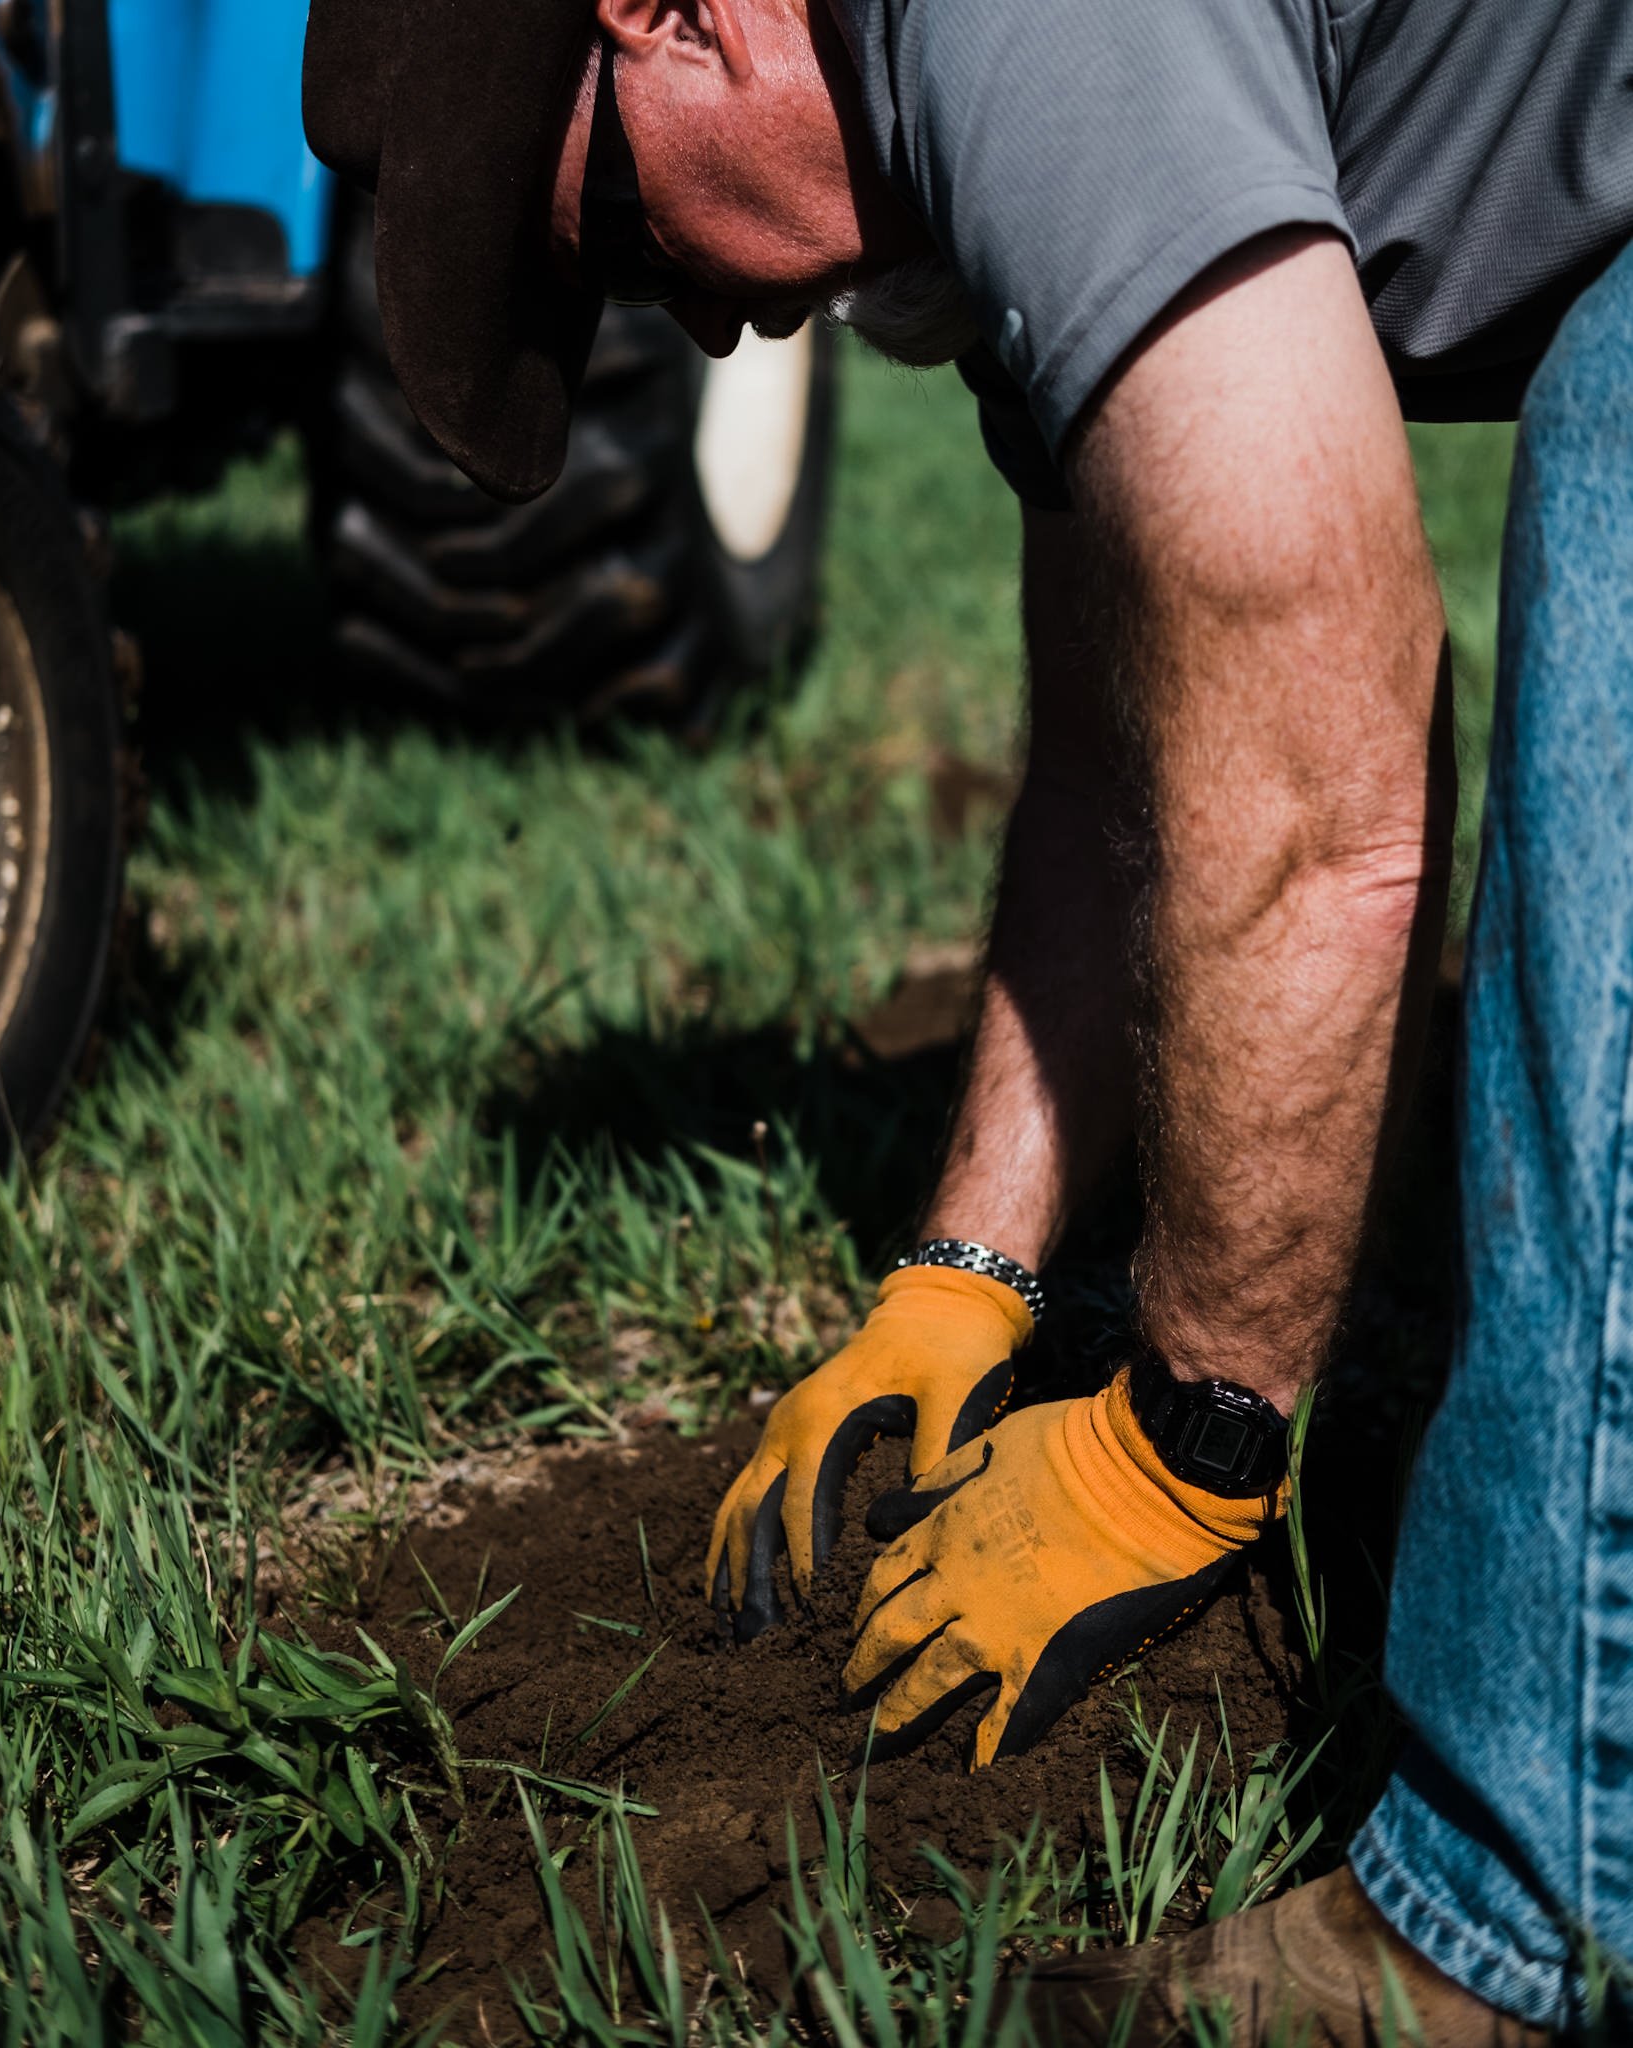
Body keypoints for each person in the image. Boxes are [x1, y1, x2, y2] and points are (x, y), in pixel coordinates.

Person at [302, 1, 1632, 2037]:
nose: (708, 335)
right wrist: (965, 1271)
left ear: (672, 13)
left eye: (636, 247)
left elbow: (1316, 742)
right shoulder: (993, 161)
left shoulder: (1015, 23)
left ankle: (1504, 1912)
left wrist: (1186, 1432)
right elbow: (1131, 743)